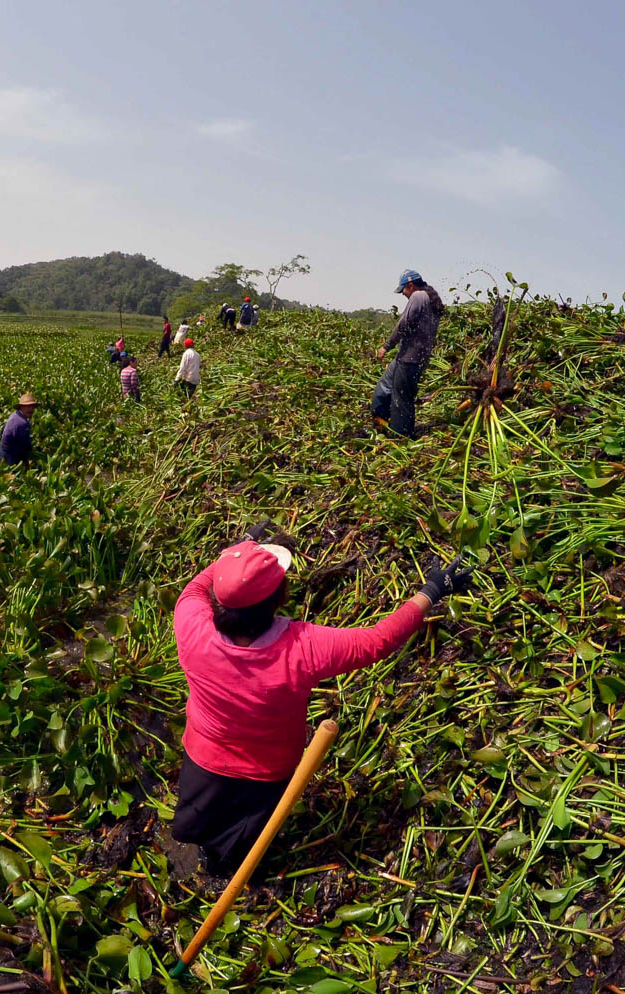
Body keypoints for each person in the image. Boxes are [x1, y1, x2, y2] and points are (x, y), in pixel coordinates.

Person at [171, 522, 474, 876]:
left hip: (203, 757)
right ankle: (224, 872)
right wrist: (432, 590)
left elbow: (197, 585)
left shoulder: (191, 622)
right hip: (265, 772)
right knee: (241, 843)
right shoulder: (302, 648)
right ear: (278, 598)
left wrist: (241, 549)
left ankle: (203, 861)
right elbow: (377, 641)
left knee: (198, 819)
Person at [371, 269, 444, 437]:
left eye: (403, 290)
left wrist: (386, 346)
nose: (403, 294)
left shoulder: (418, 297)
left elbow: (404, 324)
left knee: (401, 399)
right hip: (414, 358)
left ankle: (400, 436)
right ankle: (382, 426)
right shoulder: (432, 300)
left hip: (409, 359)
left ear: (410, 285)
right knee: (386, 391)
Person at [0, 392, 38, 464]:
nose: (31, 409)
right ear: (21, 407)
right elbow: (24, 445)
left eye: (32, 407)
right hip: (8, 455)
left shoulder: (15, 414)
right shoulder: (23, 423)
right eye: (28, 407)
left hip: (1, 450)